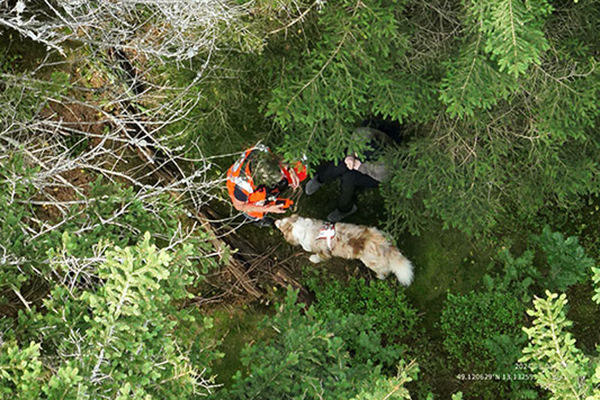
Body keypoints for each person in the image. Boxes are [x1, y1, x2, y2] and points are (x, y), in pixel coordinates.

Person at [304, 127, 393, 222]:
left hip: (374, 175)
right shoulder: (363, 135)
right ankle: (320, 179)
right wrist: (350, 155)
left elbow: (383, 178)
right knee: (341, 164)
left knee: (349, 178)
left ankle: (345, 209)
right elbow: (355, 135)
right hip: (362, 161)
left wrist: (360, 167)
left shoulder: (384, 165)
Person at [227, 144, 306, 226]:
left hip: (256, 176)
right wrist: (267, 208)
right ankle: (255, 219)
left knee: (279, 185)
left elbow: (274, 157)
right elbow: (240, 206)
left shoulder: (260, 151)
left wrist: (289, 169)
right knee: (255, 210)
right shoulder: (241, 188)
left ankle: (272, 193)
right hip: (247, 195)